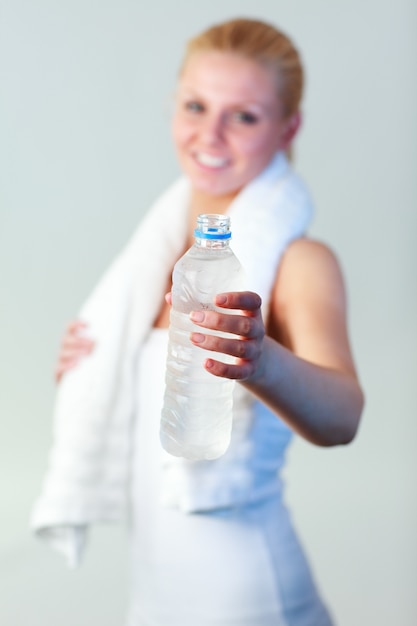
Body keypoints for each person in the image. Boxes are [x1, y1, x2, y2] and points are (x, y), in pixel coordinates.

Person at [36, 17, 364, 626]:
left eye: (244, 115)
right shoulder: (154, 256)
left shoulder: (299, 261)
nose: (209, 134)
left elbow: (344, 417)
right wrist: (89, 369)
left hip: (251, 601)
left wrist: (260, 360)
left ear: (288, 127)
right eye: (195, 105)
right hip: (153, 601)